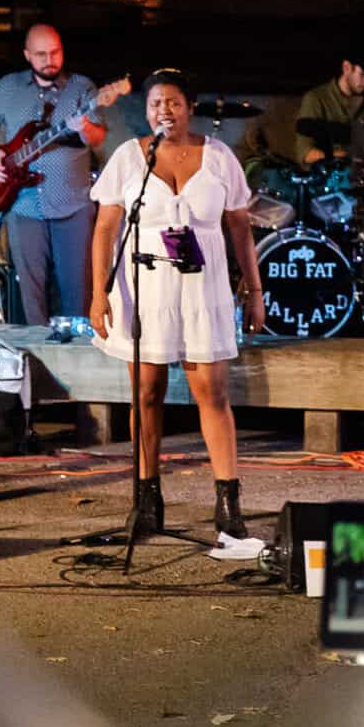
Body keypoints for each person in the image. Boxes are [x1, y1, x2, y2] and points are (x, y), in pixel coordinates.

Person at [88, 70, 265, 538]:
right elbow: (106, 227)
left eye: (173, 103)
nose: (163, 111)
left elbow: (241, 228)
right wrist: (98, 292)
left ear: (189, 107)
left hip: (203, 288)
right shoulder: (131, 157)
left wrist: (255, 289)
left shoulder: (220, 156)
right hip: (145, 286)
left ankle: (228, 503)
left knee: (213, 392)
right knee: (146, 393)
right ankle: (147, 500)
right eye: (155, 104)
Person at [0, 24, 108, 326]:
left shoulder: (81, 87)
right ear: (27, 55)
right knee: (30, 296)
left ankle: (77, 357)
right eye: (41, 54)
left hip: (72, 203)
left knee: (77, 293)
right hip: (22, 204)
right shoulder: (10, 86)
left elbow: (97, 137)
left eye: (55, 52)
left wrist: (84, 126)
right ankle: (37, 357)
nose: (50, 59)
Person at [293, 47, 364, 165]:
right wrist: (346, 154)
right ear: (347, 68)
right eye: (363, 74)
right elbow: (305, 154)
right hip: (329, 179)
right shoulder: (316, 99)